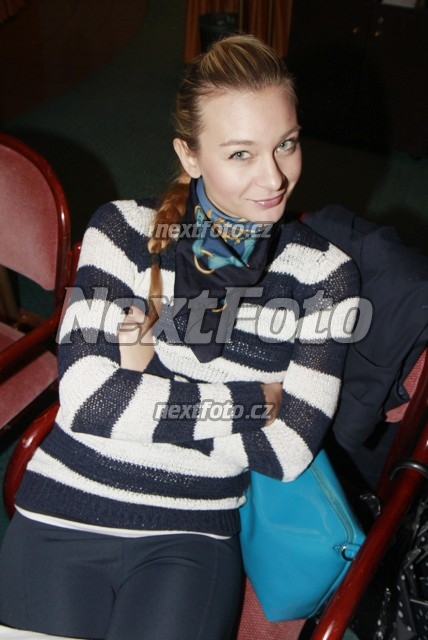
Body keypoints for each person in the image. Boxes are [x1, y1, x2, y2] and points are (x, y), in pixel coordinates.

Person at [0, 34, 360, 640]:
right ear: (189, 156)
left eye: (287, 144)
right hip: (64, 508)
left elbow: (289, 448)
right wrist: (253, 400)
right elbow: (89, 402)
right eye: (241, 153)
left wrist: (145, 377)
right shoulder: (122, 230)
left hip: (191, 532)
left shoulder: (325, 276)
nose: (273, 177)